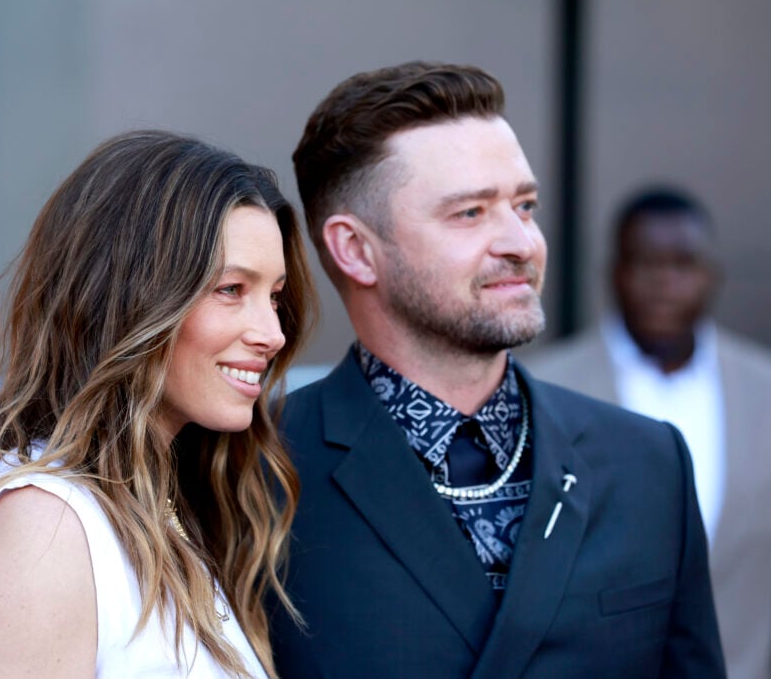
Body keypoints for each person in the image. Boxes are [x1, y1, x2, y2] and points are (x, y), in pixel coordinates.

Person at [267, 62, 725, 678]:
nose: (522, 242)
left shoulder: (648, 463)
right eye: (470, 213)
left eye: (525, 205)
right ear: (355, 249)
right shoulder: (253, 470)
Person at [0, 130, 316, 678]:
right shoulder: (44, 525)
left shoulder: (159, 507)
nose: (272, 333)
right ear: (130, 297)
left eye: (275, 296)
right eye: (231, 290)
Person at [525, 187, 771, 678]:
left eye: (682, 263)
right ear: (613, 274)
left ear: (711, 275)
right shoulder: (542, 389)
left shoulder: (764, 389)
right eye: (645, 263)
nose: (664, 282)